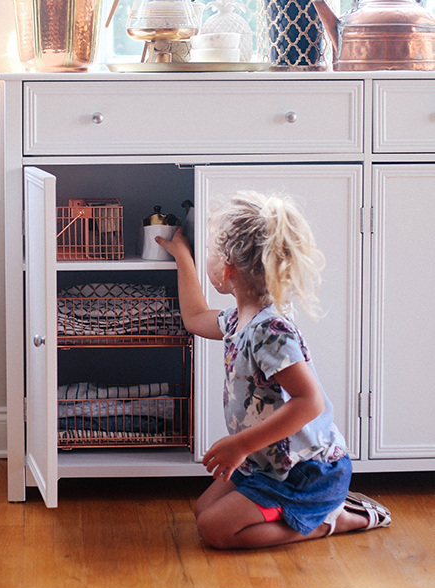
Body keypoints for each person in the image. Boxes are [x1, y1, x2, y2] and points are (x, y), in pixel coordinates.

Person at [156, 190, 391, 550]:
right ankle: (317, 512)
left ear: (228, 269)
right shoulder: (239, 318)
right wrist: (182, 257)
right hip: (268, 462)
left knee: (215, 529)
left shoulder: (270, 331)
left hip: (305, 472)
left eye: (209, 252)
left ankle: (333, 519)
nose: (208, 258)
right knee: (205, 508)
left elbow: (309, 402)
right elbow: (195, 318)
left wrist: (240, 444)